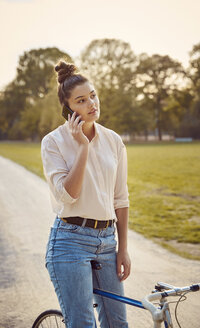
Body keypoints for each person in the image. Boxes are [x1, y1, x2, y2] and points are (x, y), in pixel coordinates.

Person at [41, 60, 131, 328]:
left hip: (107, 241)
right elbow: (68, 195)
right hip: (70, 242)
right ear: (69, 108)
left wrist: (123, 249)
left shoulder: (114, 140)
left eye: (93, 95)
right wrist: (82, 147)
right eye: (81, 100)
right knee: (82, 324)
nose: (92, 103)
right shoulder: (53, 142)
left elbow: (121, 199)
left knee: (118, 324)